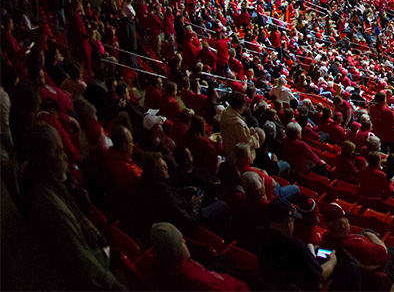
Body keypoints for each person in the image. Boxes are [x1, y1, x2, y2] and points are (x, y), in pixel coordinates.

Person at [17, 123, 123, 290]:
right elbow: (87, 267)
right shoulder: (54, 210)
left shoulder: (36, 175)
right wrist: (117, 286)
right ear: (47, 159)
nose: (65, 157)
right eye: (59, 152)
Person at [319, 203, 394, 287]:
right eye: (346, 220)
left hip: (362, 265)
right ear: (343, 224)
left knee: (366, 230)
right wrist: (373, 237)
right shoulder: (356, 244)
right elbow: (384, 254)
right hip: (377, 267)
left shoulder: (326, 239)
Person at [252, 201, 338, 291]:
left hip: (271, 282)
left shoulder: (259, 233)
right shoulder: (296, 246)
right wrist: (332, 260)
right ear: (288, 223)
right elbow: (320, 275)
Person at [147, 222, 248, 291]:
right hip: (228, 285)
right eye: (181, 241)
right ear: (176, 251)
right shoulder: (201, 283)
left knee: (222, 259)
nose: (184, 241)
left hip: (208, 273)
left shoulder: (164, 267)